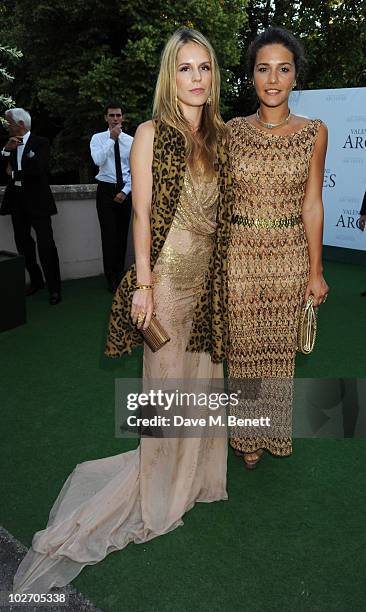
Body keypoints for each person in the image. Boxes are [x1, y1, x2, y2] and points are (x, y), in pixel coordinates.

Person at [13, 27, 231, 594]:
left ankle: (196, 478)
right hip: (167, 282)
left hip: (209, 286)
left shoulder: (221, 136)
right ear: (169, 75)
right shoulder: (149, 133)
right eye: (185, 68)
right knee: (165, 389)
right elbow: (140, 214)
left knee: (201, 387)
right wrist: (143, 284)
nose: (197, 78)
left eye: (204, 66)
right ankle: (159, 490)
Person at [226, 27, 329, 468]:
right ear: (251, 76)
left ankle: (272, 432)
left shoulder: (314, 133)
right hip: (239, 254)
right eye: (263, 69)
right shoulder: (229, 132)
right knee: (244, 352)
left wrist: (316, 270)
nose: (273, 79)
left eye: (282, 69)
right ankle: (247, 436)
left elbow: (312, 203)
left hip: (289, 256)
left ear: (295, 77)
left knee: (277, 356)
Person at [0, 108, 61, 305]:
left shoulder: (41, 143)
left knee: (46, 245)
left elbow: (39, 169)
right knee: (23, 245)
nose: (6, 126)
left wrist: (14, 173)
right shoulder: (8, 145)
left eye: (9, 122)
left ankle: (54, 288)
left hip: (39, 202)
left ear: (20, 124)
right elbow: (2, 170)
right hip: (17, 202)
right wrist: (5, 151)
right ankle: (36, 281)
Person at [90, 103, 133, 293]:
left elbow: (136, 169)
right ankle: (110, 277)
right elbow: (98, 160)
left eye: (118, 115)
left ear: (123, 118)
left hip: (125, 190)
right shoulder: (97, 139)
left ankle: (120, 272)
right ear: (105, 118)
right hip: (105, 190)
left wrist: (126, 190)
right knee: (109, 235)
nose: (115, 119)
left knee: (122, 235)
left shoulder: (131, 141)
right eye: (111, 115)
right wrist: (111, 139)